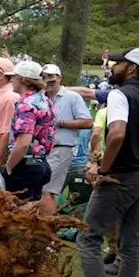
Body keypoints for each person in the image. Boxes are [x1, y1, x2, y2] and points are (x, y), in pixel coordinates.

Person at [62, 48, 139, 277]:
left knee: (88, 238)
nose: (112, 67)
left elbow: (116, 133)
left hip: (121, 177)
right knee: (132, 245)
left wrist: (104, 169)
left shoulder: (121, 95)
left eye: (118, 63)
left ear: (131, 68)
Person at [38, 64, 94, 216]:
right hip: (41, 149)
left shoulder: (71, 97)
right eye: (44, 76)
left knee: (46, 189)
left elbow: (88, 122)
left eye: (51, 76)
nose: (47, 80)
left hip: (62, 147)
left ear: (59, 77)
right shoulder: (40, 97)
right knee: (41, 188)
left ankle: (45, 229)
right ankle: (43, 226)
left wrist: (60, 122)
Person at [0, 61, 55, 202]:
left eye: (14, 76)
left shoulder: (26, 105)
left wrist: (9, 168)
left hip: (24, 167)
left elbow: (23, 144)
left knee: (17, 216)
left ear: (23, 79)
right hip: (42, 164)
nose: (11, 80)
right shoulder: (45, 101)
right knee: (31, 216)